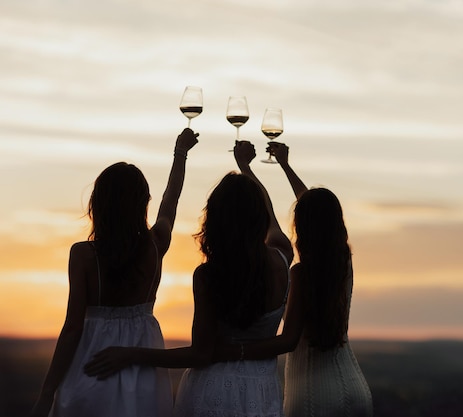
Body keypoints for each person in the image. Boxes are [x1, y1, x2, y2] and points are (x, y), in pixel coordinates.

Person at [84, 140, 294, 417]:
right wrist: (246, 167)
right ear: (260, 217)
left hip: (210, 393)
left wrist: (131, 354)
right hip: (262, 393)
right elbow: (268, 211)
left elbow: (199, 355)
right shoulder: (282, 257)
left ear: (215, 219)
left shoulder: (209, 275)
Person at [30, 128, 199, 417]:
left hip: (91, 365)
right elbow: (171, 201)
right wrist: (180, 153)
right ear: (142, 203)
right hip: (143, 373)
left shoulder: (84, 254)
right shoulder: (156, 245)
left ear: (99, 203)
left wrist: (47, 392)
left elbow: (72, 328)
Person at [212, 142, 373, 416]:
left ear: (301, 227)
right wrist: (285, 165)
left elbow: (287, 341)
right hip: (356, 390)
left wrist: (233, 351)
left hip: (312, 398)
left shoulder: (300, 273)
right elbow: (315, 210)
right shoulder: (344, 263)